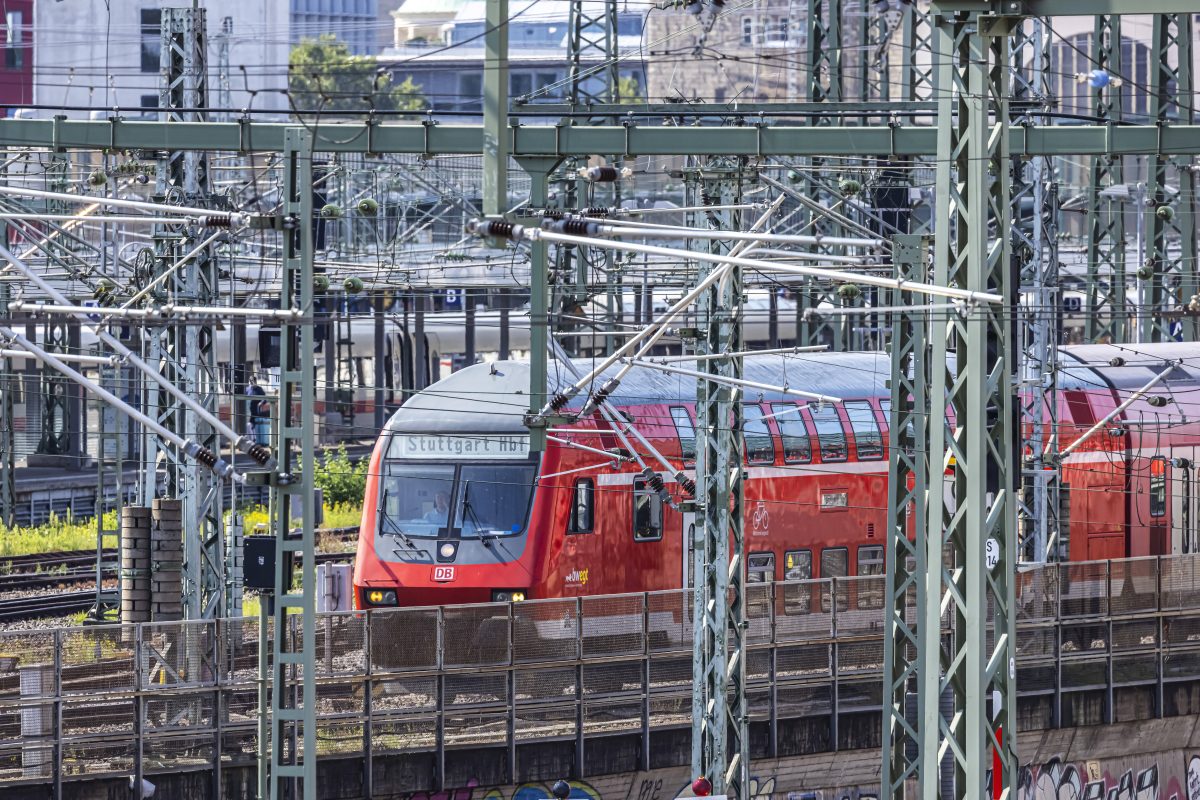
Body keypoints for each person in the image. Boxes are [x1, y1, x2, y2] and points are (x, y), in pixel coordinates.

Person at [246, 376, 269, 446]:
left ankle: (255, 440)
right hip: (247, 410)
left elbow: (265, 398)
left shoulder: (259, 389)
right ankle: (252, 439)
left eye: (253, 381)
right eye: (250, 381)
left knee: (253, 424)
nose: (252, 383)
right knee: (249, 425)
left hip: (255, 410)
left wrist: (261, 403)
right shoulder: (247, 389)